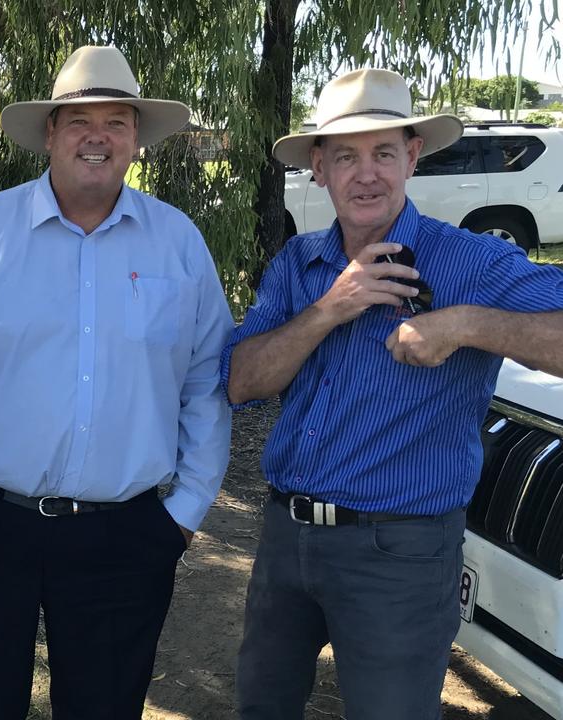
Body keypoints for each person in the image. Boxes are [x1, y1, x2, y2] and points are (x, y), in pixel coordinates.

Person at [225, 67, 563, 719]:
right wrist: (328, 308)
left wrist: (468, 324)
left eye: (383, 152)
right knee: (261, 708)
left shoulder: (471, 262)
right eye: (345, 156)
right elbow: (241, 382)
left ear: (411, 157)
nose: (366, 174)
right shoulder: (297, 265)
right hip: (283, 540)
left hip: (399, 552)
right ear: (318, 168)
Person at [0, 45, 233, 719]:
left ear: (136, 139)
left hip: (125, 533)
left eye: (116, 120)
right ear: (49, 134)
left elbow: (206, 380)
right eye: (78, 119)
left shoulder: (177, 243)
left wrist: (186, 509)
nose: (97, 136)